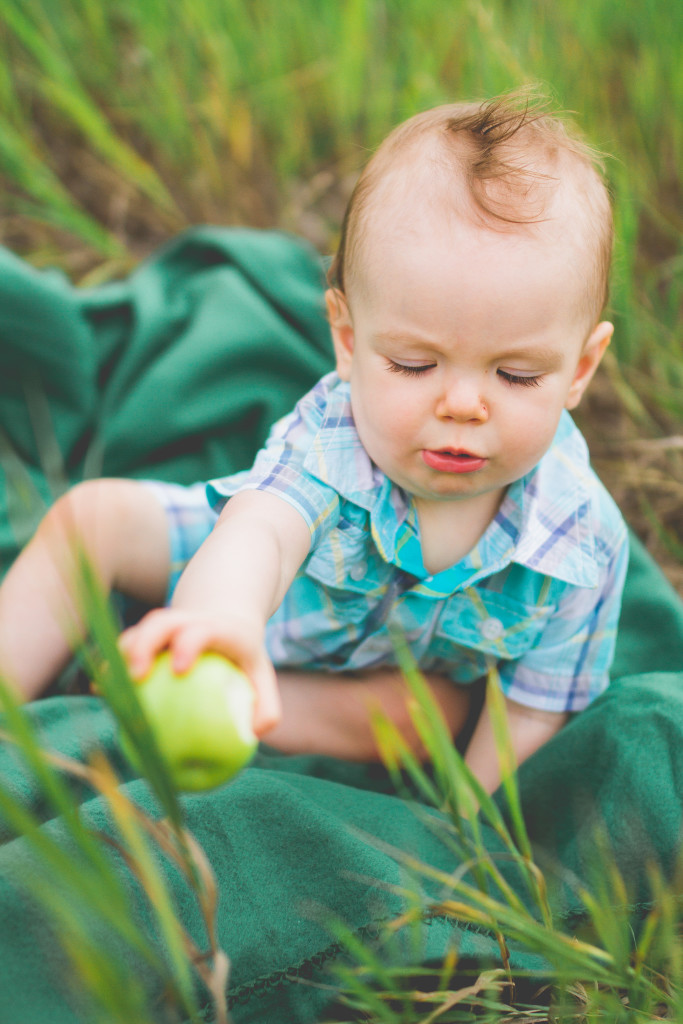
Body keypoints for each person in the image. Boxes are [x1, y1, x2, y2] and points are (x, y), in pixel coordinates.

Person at [0, 94, 628, 793]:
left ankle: (196, 704)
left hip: (371, 684)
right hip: (256, 599)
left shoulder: (580, 543)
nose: (461, 404)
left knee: (427, 719)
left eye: (515, 374)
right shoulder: (332, 441)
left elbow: (532, 709)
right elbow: (259, 535)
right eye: (413, 365)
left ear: (578, 369)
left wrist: (473, 835)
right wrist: (220, 620)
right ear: (349, 341)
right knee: (95, 519)